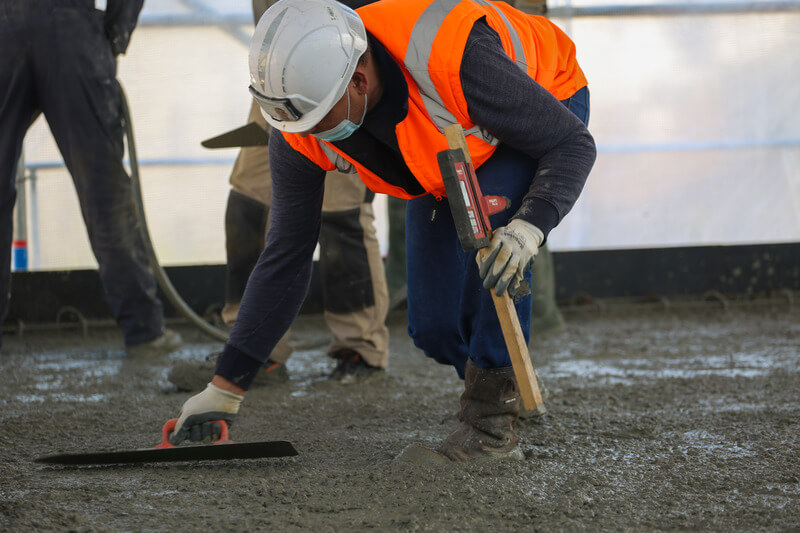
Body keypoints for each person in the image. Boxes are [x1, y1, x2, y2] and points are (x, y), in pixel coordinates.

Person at [169, 0, 596, 463]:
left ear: (358, 81)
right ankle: (501, 381)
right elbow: (287, 255)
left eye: (320, 123)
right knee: (433, 326)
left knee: (495, 241)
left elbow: (572, 143)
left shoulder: (453, 57)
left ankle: (491, 428)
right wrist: (225, 388)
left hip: (542, 96)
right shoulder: (300, 120)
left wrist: (529, 228)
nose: (310, 135)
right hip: (445, 135)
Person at [166, 0, 389, 391]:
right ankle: (253, 346)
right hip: (281, 76)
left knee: (340, 213)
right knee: (248, 201)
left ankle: (359, 349)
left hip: (337, 70)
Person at [0, 0, 182, 356]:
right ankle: (144, 330)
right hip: (69, 29)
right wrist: (113, 34)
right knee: (103, 190)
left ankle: (144, 327)